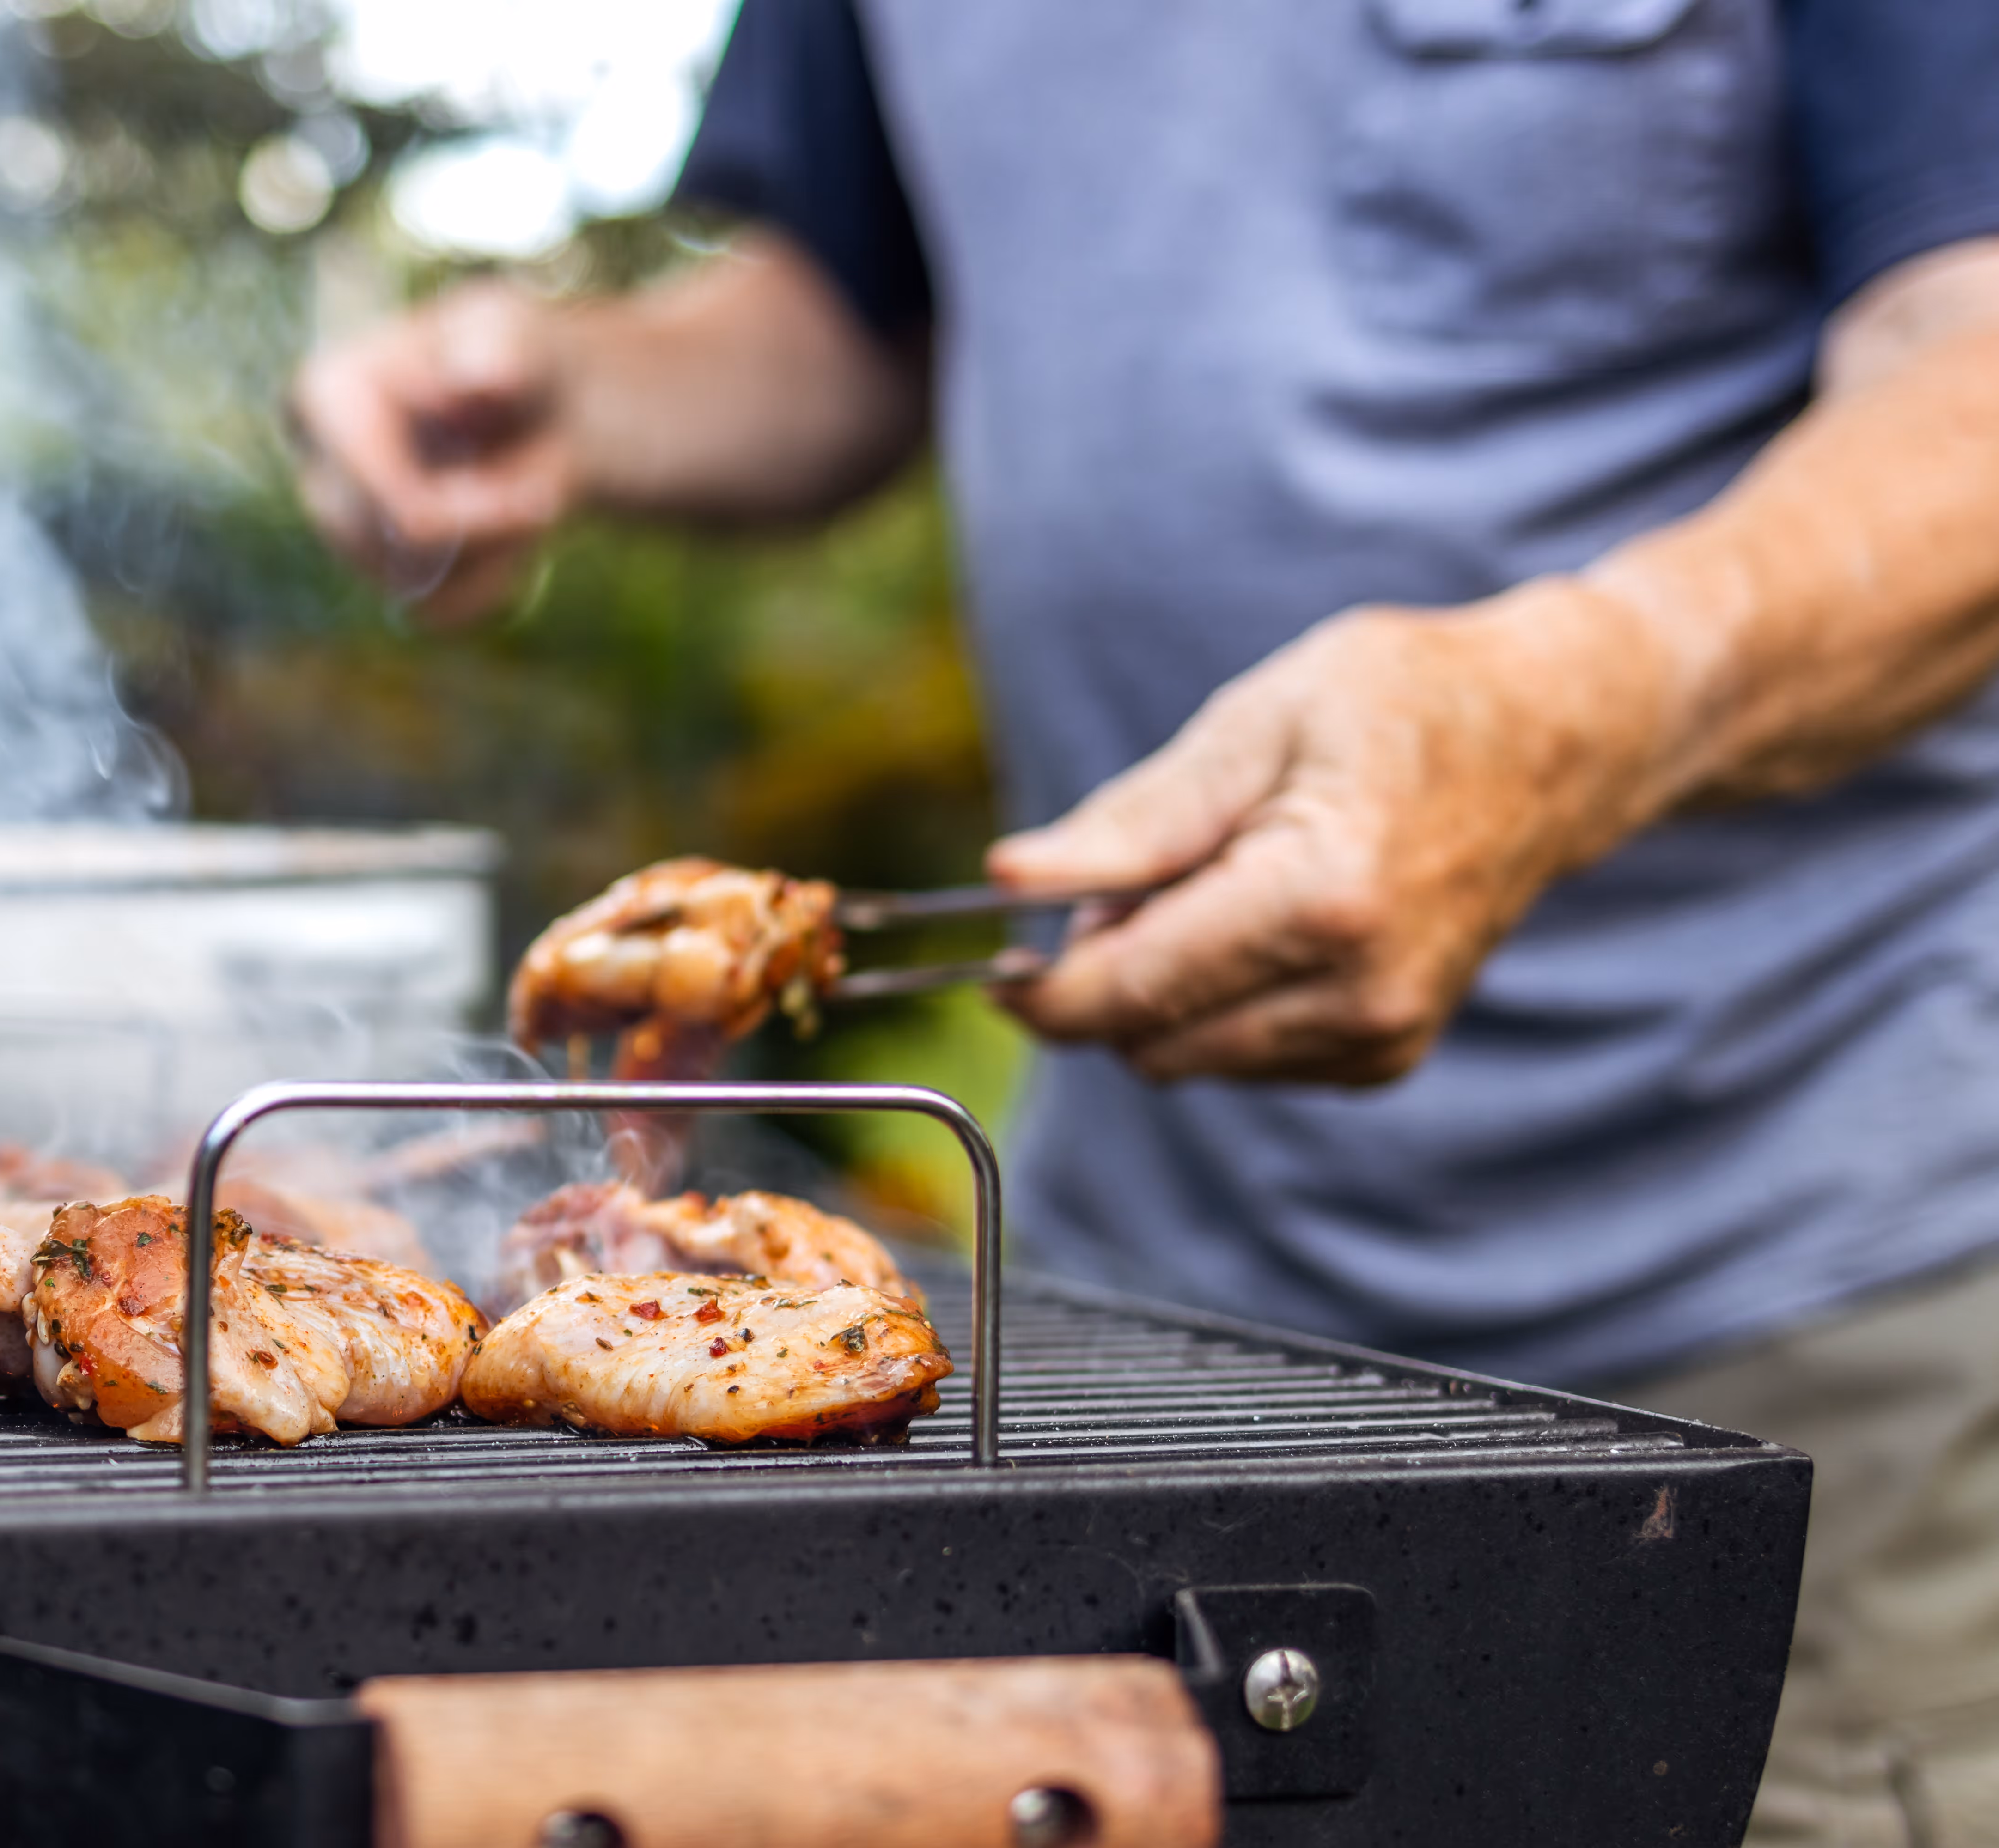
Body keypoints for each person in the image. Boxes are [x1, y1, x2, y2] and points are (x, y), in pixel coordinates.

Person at [286, 4, 1999, 1837]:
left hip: (1782, 1277)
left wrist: (1575, 705)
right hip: (1143, 1322)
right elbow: (856, 315)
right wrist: (582, 381)